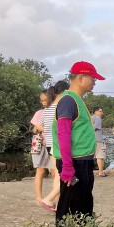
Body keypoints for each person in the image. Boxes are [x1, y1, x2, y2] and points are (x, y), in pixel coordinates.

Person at [52, 61, 105, 227]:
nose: (95, 82)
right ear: (81, 77)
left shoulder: (77, 100)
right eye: (93, 78)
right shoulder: (68, 100)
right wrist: (67, 167)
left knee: (84, 205)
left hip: (83, 161)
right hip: (75, 162)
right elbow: (63, 134)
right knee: (70, 206)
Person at [37, 80, 70, 210]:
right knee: (63, 174)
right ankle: (50, 199)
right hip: (59, 144)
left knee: (57, 174)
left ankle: (56, 203)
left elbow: (39, 126)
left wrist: (47, 132)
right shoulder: (60, 107)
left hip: (50, 144)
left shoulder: (46, 109)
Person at [31, 89, 54, 209]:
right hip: (41, 145)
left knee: (55, 172)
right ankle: (39, 198)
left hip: (52, 144)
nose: (43, 102)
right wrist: (44, 129)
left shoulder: (55, 110)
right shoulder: (40, 112)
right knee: (40, 170)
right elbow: (35, 129)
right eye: (42, 100)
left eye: (45, 100)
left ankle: (55, 198)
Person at [91, 107, 107, 177]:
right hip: (98, 140)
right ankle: (101, 172)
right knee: (100, 156)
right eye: (101, 111)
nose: (102, 113)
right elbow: (94, 127)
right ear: (96, 111)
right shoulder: (98, 118)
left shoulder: (90, 118)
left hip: (91, 140)